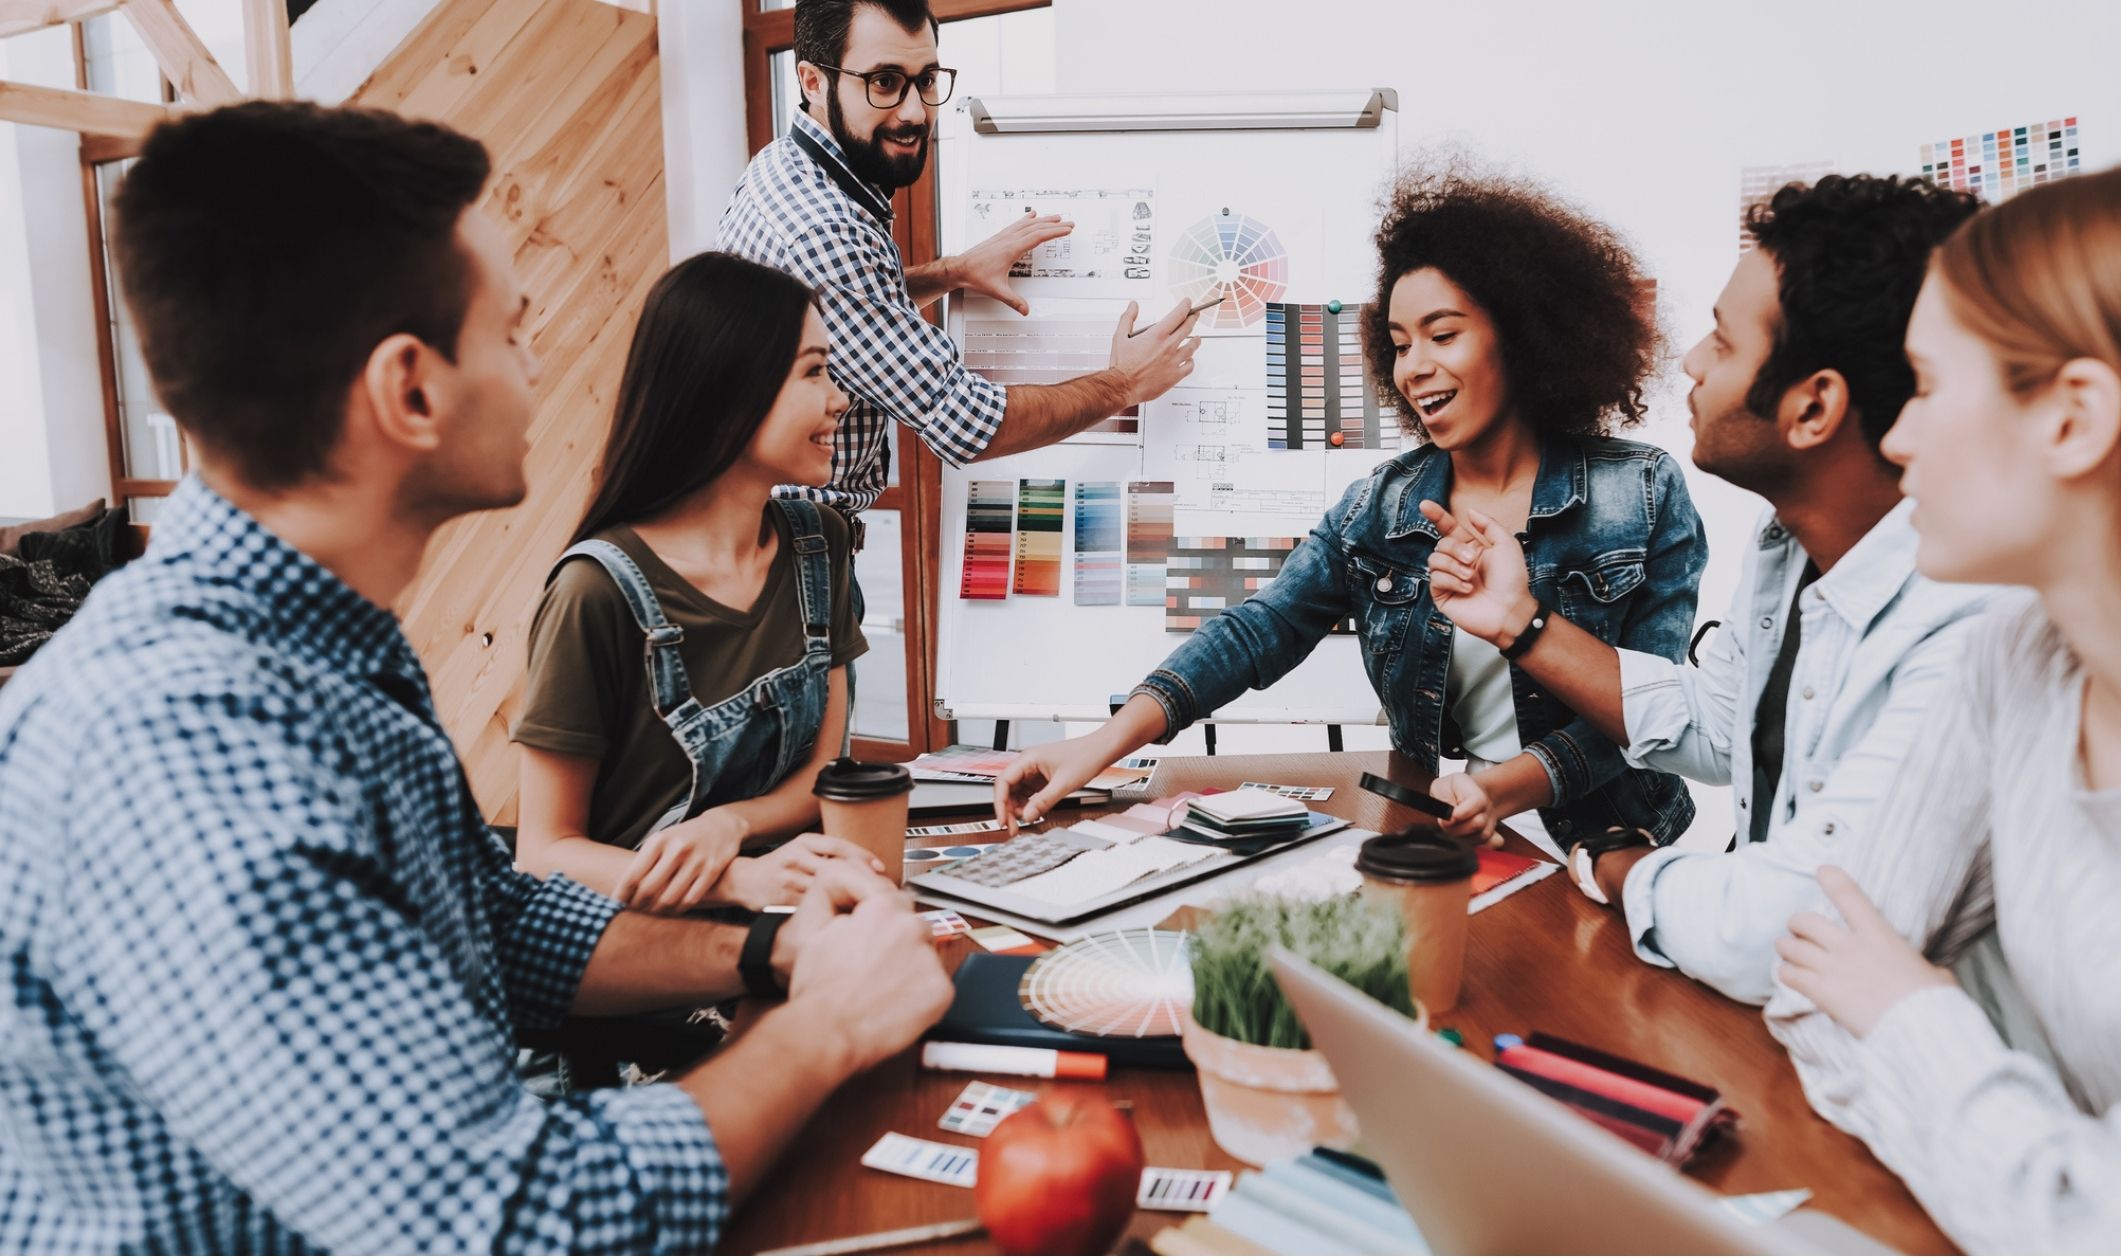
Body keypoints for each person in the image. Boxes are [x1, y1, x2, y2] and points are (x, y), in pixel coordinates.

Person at [0, 101, 950, 1253]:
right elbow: (503, 1225)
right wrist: (824, 1028)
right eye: (511, 332)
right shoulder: (182, 739)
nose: (540, 367)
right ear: (410, 390)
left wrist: (773, 948)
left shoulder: (320, 651)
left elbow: (495, 921)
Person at [1763, 160, 2121, 1252]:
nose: (1894, 441)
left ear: (2071, 418)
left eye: (1925, 386)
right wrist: (2043, 1177)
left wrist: (1907, 1015)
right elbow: (1808, 995)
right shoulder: (2014, 661)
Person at [996, 162, 1706, 855]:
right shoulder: (1380, 507)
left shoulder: (1640, 495)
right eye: (1399, 345)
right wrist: (1101, 741)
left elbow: (1649, 710)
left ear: (1521, 335)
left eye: (1443, 334)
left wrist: (1506, 789)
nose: (1413, 367)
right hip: (1438, 833)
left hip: (1616, 844)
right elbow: (1260, 630)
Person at [1421, 175, 1992, 1004]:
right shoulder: (1790, 549)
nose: (1690, 361)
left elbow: (1791, 925)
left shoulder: (1968, 618)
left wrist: (1627, 869)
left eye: (1722, 343)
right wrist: (1520, 620)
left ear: (1814, 407)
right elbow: (1715, 722)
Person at [715, 0, 1198, 576]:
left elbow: (841, 304)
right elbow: (966, 422)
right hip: (789, 566)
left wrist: (951, 271)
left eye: (926, 80)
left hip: (766, 544)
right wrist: (1125, 382)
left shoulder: (783, 166)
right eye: (885, 83)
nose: (915, 112)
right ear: (813, 81)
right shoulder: (824, 227)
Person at [513, 253, 878, 915]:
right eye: (814, 371)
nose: (839, 398)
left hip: (794, 914)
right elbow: (544, 852)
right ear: (728, 390)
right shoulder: (595, 592)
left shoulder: (820, 541)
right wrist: (732, 880)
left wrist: (727, 825)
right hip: (643, 951)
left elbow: (822, 778)